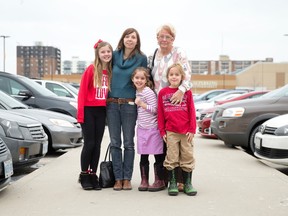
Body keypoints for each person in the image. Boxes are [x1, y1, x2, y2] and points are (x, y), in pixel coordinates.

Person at [148, 23, 193, 191]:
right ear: (157, 38)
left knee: (180, 142)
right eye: (161, 36)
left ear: (173, 39)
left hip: (177, 101)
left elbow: (187, 75)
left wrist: (181, 91)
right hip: (159, 102)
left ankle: (182, 181)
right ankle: (164, 179)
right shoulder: (153, 54)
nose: (164, 39)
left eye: (168, 37)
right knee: (164, 140)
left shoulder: (179, 52)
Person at [106, 28, 147, 191]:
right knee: (115, 143)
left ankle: (127, 178)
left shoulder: (142, 58)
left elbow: (144, 80)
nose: (130, 39)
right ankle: (118, 178)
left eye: (133, 37)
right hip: (112, 104)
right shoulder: (114, 55)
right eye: (127, 36)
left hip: (130, 104)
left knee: (129, 143)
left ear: (137, 41)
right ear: (122, 39)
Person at [77, 40, 113, 190]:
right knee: (89, 144)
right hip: (88, 110)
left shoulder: (110, 71)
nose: (106, 54)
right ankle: (84, 174)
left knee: (97, 145)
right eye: (103, 52)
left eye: (108, 51)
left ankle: (93, 174)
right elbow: (82, 93)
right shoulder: (91, 69)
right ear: (98, 54)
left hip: (101, 111)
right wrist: (80, 115)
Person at [157, 63, 197, 196]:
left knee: (187, 156)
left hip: (186, 132)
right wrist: (162, 131)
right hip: (171, 131)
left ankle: (187, 183)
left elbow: (192, 111)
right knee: (171, 157)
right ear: (167, 77)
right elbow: (160, 113)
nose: (174, 77)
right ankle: (172, 182)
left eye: (177, 74)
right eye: (171, 74)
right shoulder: (163, 93)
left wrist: (192, 129)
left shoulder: (187, 92)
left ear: (182, 77)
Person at [131, 67, 165, 192]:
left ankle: (159, 180)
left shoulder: (148, 92)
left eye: (142, 78)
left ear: (146, 80)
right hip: (142, 129)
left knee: (157, 156)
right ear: (133, 79)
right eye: (137, 78)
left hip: (153, 129)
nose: (139, 80)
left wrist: (142, 104)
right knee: (143, 157)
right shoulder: (136, 91)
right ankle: (144, 180)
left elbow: (156, 110)